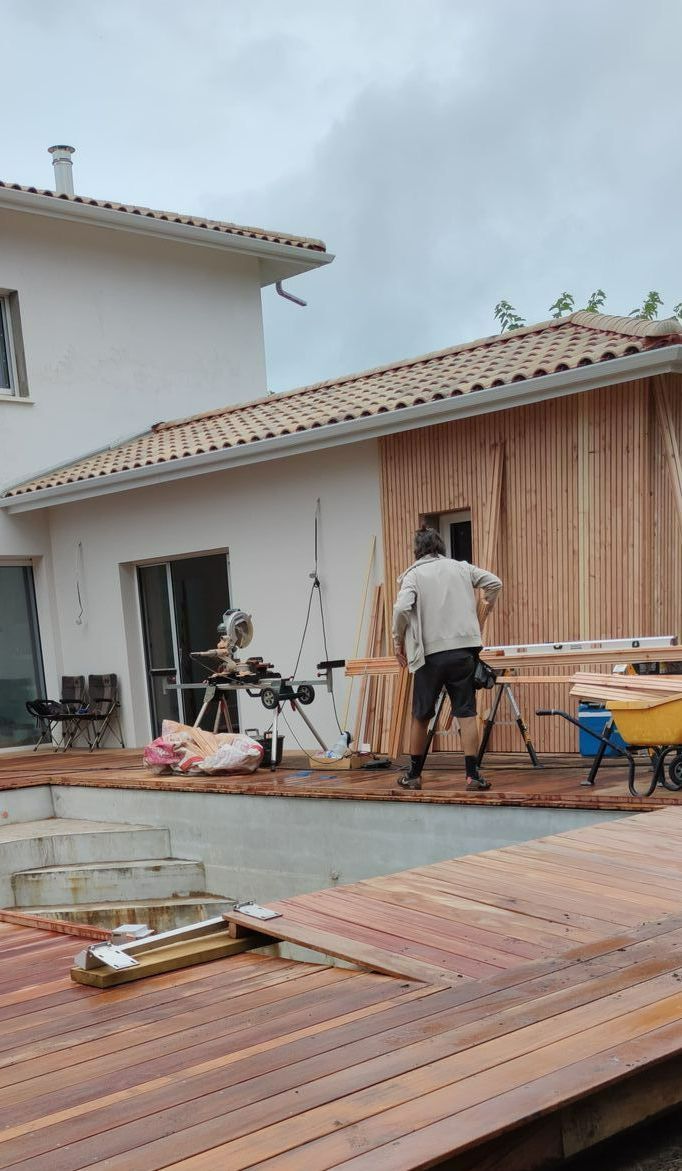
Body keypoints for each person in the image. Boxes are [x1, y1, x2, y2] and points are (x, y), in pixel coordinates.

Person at [392, 525, 502, 792]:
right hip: (463, 651)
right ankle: (472, 776)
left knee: (421, 714)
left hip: (430, 655)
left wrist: (398, 640)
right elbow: (494, 582)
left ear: (417, 550)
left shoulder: (414, 575)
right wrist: (483, 611)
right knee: (466, 712)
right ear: (440, 546)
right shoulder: (461, 567)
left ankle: (414, 775)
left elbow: (401, 608)